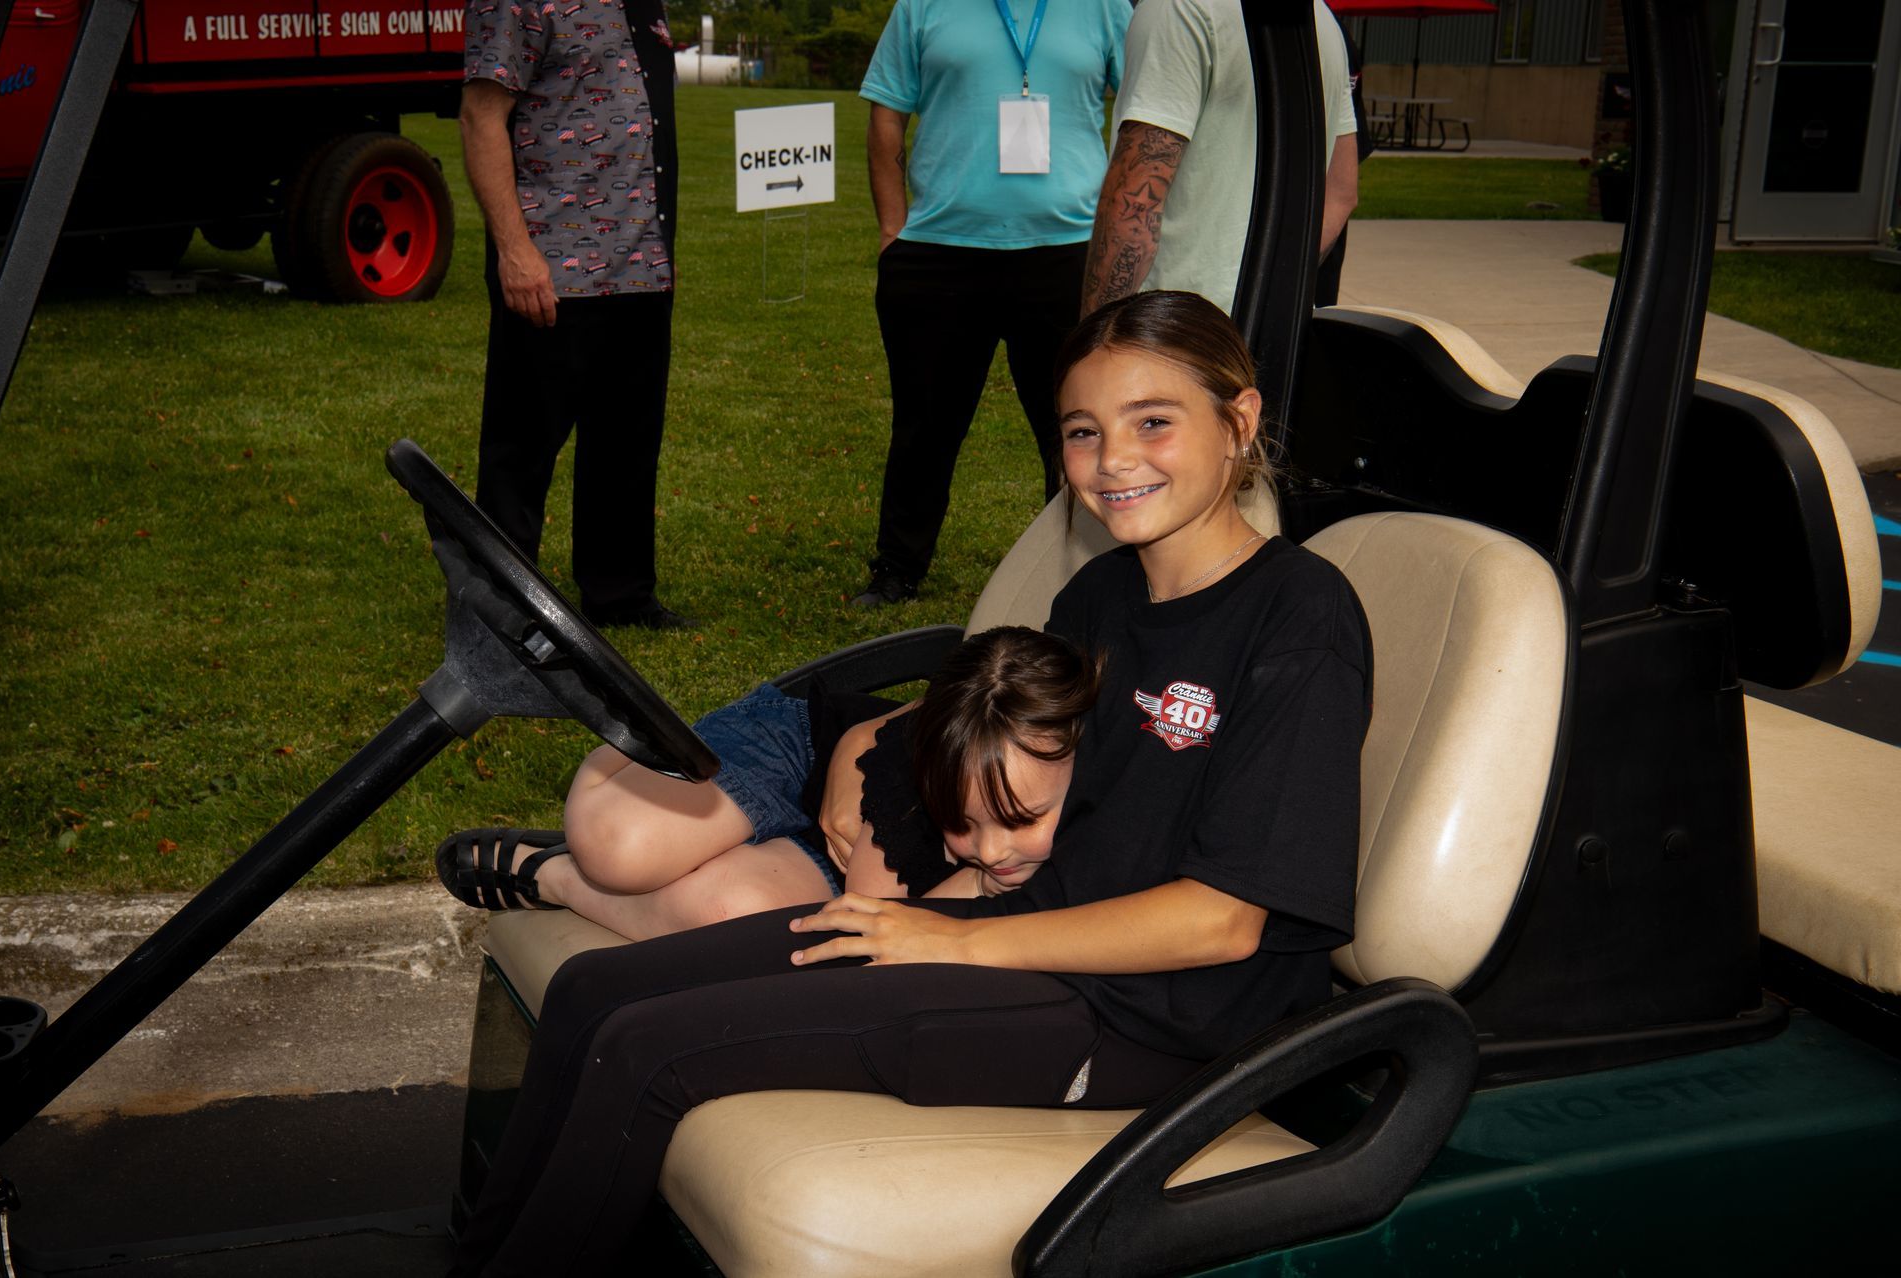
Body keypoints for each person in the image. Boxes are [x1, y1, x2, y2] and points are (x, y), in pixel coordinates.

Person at [446, 291, 1372, 1277]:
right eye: (1083, 431)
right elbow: (1046, 827)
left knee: (646, 1053)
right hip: (1033, 953)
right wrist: (911, 925)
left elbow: (1224, 922)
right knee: (595, 992)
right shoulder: (1102, 595)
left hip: (1156, 1025)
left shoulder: (1299, 620)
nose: (1115, 460)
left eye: (1154, 423)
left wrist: (950, 946)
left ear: (1239, 422)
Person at [433, 626, 1098, 939]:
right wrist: (857, 750)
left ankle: (553, 876)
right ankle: (633, 750)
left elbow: (855, 937)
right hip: (799, 749)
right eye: (966, 824)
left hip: (838, 856)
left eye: (1021, 820)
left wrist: (979, 876)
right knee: (618, 845)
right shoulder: (916, 794)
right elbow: (875, 924)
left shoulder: (1080, 761)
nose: (993, 849)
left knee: (741, 923)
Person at [850, 0, 1134, 608]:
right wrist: (892, 231)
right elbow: (886, 115)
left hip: (1066, 254)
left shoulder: (1106, 7)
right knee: (925, 425)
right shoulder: (922, 6)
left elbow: (1143, 110)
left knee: (1075, 425)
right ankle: (898, 568)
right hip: (939, 253)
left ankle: (1082, 564)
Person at [458, 0, 692, 630]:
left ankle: (620, 596)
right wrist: (513, 250)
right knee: (522, 449)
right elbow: (482, 116)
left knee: (626, 445)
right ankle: (499, 609)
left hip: (641, 266)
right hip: (550, 267)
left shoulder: (643, 2)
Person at [1082, 0, 1357, 317]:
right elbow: (1341, 191)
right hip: (1278, 325)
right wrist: (1280, 283)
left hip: (1173, 334)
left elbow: (1134, 207)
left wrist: (1095, 342)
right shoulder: (1320, 19)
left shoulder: (1176, 9)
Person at [1314, 21, 1373, 307]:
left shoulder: (1326, 35)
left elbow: (1341, 190)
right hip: (1304, 253)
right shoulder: (1332, 32)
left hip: (1306, 245)